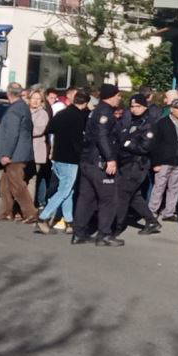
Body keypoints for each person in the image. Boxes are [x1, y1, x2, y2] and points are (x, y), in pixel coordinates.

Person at [75, 84, 124, 246]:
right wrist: (110, 159)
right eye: (118, 95)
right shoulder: (105, 113)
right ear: (111, 96)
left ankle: (79, 233)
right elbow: (102, 137)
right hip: (99, 163)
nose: (119, 98)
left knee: (86, 198)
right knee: (109, 199)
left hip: (88, 161)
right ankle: (104, 235)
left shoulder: (95, 111)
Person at [35, 89, 90, 235]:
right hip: (70, 159)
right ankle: (43, 217)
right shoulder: (78, 118)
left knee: (68, 191)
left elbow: (50, 129)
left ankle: (69, 221)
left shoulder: (62, 113)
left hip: (58, 155)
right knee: (64, 190)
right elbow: (77, 141)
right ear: (85, 103)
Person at [114, 93, 161, 236]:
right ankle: (151, 221)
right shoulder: (133, 121)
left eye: (138, 106)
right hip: (127, 162)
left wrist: (127, 144)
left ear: (145, 106)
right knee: (134, 196)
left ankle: (117, 226)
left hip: (137, 164)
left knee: (123, 194)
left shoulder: (149, 123)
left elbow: (144, 147)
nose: (134, 109)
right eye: (132, 106)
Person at [0, 83, 38, 223]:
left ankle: (31, 213)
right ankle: (6, 212)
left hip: (15, 154)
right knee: (5, 185)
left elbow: (12, 134)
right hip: (20, 151)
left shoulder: (15, 110)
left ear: (8, 94)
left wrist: (6, 154)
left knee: (17, 185)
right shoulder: (22, 106)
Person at [149, 98, 178, 222]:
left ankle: (169, 212)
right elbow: (155, 144)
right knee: (159, 187)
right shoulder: (162, 123)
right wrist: (155, 162)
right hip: (164, 161)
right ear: (171, 109)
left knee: (175, 188)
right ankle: (152, 212)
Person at [27, 88, 51, 209]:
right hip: (24, 150)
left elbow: (38, 130)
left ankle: (29, 207)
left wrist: (23, 130)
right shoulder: (25, 111)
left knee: (32, 178)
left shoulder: (43, 113)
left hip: (36, 150)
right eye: (33, 98)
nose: (35, 101)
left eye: (38, 99)